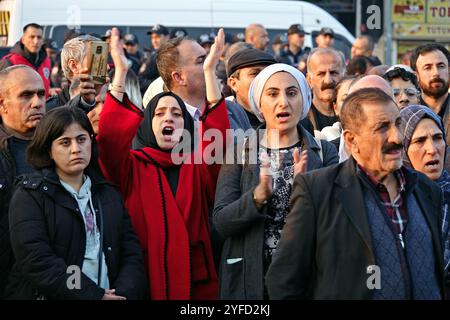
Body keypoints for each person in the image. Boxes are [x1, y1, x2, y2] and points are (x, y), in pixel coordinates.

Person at [266, 88, 445, 299]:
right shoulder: (317, 191)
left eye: (397, 124)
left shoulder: (427, 190)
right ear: (351, 141)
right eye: (382, 127)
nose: (397, 138)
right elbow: (283, 281)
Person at [97, 28, 229, 300]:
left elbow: (219, 137)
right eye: (159, 113)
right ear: (147, 125)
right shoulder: (132, 167)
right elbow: (109, 140)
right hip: (144, 281)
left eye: (177, 114)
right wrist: (120, 73)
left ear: (188, 127)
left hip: (197, 286)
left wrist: (210, 72)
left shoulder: (197, 166)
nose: (169, 118)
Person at [213, 63, 338, 299]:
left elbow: (336, 222)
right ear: (259, 103)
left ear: (304, 99)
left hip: (305, 280)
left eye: (292, 93)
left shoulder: (323, 152)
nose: (283, 102)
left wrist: (305, 194)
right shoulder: (240, 151)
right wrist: (257, 196)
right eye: (272, 94)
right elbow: (221, 223)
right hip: (250, 281)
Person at [5, 106, 147, 300]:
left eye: (81, 140)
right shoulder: (31, 196)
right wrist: (92, 295)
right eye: (65, 142)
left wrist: (122, 293)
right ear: (49, 149)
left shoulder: (107, 194)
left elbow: (131, 253)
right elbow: (37, 260)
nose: (76, 149)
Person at [0, 65, 46, 297]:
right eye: (26, 95)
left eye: (41, 94)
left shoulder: (60, 147)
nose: (37, 102)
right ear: (2, 103)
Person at [399, 105, 450, 290]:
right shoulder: (391, 203)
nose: (432, 149)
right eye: (419, 141)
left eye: (437, 138)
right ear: (402, 149)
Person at [226, 48, 277, 128]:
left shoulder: (290, 118)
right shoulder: (223, 122)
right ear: (234, 83)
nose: (264, 79)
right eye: (255, 73)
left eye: (269, 73)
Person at [411, 44, 450, 144]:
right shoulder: (408, 113)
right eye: (428, 68)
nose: (436, 73)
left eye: (441, 66)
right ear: (417, 76)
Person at [0, 23, 51, 97]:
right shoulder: (10, 62)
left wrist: (50, 90)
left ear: (43, 40)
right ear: (23, 39)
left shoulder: (47, 61)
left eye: (39, 37)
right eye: (32, 37)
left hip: (43, 107)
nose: (36, 41)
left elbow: (47, 84)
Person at [302, 48, 344, 133]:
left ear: (343, 76)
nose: (328, 80)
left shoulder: (354, 114)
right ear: (309, 80)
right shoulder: (300, 119)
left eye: (333, 73)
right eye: (321, 74)